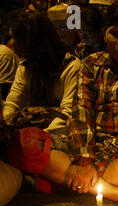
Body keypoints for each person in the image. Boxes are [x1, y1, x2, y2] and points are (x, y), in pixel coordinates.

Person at [8, 2, 118, 206]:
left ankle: (73, 180)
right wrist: (84, 160)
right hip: (90, 145)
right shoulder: (90, 64)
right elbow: (81, 110)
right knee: (20, 143)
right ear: (104, 34)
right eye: (115, 34)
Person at [1, 9, 81, 194]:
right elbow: (13, 103)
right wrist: (4, 127)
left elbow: (67, 111)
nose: (12, 44)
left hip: (58, 133)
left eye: (17, 38)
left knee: (29, 149)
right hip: (31, 135)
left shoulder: (71, 66)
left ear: (33, 41)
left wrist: (41, 137)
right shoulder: (26, 66)